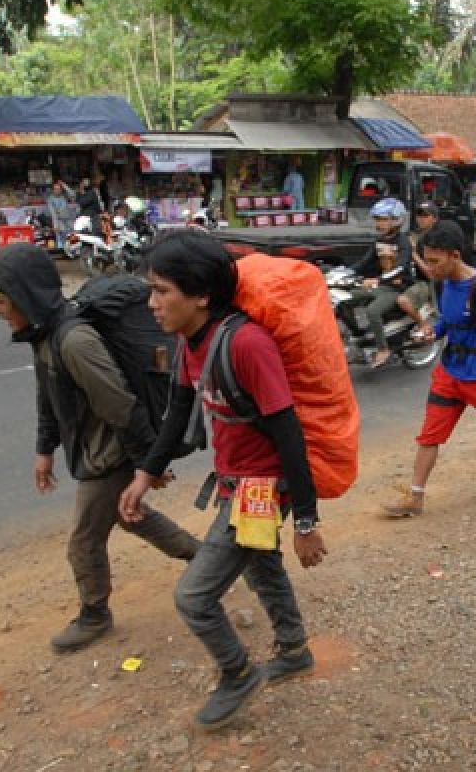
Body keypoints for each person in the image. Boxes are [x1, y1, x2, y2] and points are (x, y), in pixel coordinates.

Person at [118, 230, 326, 732]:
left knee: (193, 597)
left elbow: (289, 435)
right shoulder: (193, 343)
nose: (151, 304)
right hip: (236, 484)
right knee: (261, 568)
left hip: (259, 491)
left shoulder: (248, 345)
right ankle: (294, 649)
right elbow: (178, 414)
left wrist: (306, 519)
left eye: (161, 291)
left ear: (200, 295)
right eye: (150, 290)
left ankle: (237, 673)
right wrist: (146, 474)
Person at [0, 243, 200, 653]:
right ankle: (205, 559)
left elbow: (119, 403)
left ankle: (95, 614)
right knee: (132, 516)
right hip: (95, 450)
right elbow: (47, 393)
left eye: (0, 299)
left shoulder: (75, 340)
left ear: (23, 296)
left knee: (84, 539)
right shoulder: (42, 334)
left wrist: (149, 462)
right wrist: (44, 449)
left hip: (110, 454)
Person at [383, 220, 476, 518]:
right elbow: (448, 320)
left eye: (435, 261)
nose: (429, 268)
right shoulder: (444, 283)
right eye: (427, 260)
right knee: (430, 433)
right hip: (449, 373)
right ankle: (415, 497)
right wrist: (435, 330)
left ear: (455, 256)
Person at [344, 197, 415, 368]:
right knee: (343, 299)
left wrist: (377, 280)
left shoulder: (403, 242)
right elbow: (364, 262)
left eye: (384, 219)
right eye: (377, 219)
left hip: (397, 287)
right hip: (381, 285)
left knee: (372, 310)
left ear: (397, 220)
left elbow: (401, 268)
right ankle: (360, 335)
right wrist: (342, 272)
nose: (380, 223)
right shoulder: (380, 241)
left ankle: (383, 349)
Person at [397, 201, 438, 335]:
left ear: (434, 218)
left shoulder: (435, 240)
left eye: (425, 215)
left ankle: (424, 326)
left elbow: (431, 274)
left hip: (428, 282)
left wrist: (413, 253)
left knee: (403, 301)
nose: (421, 219)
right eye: (419, 215)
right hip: (413, 278)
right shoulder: (417, 235)